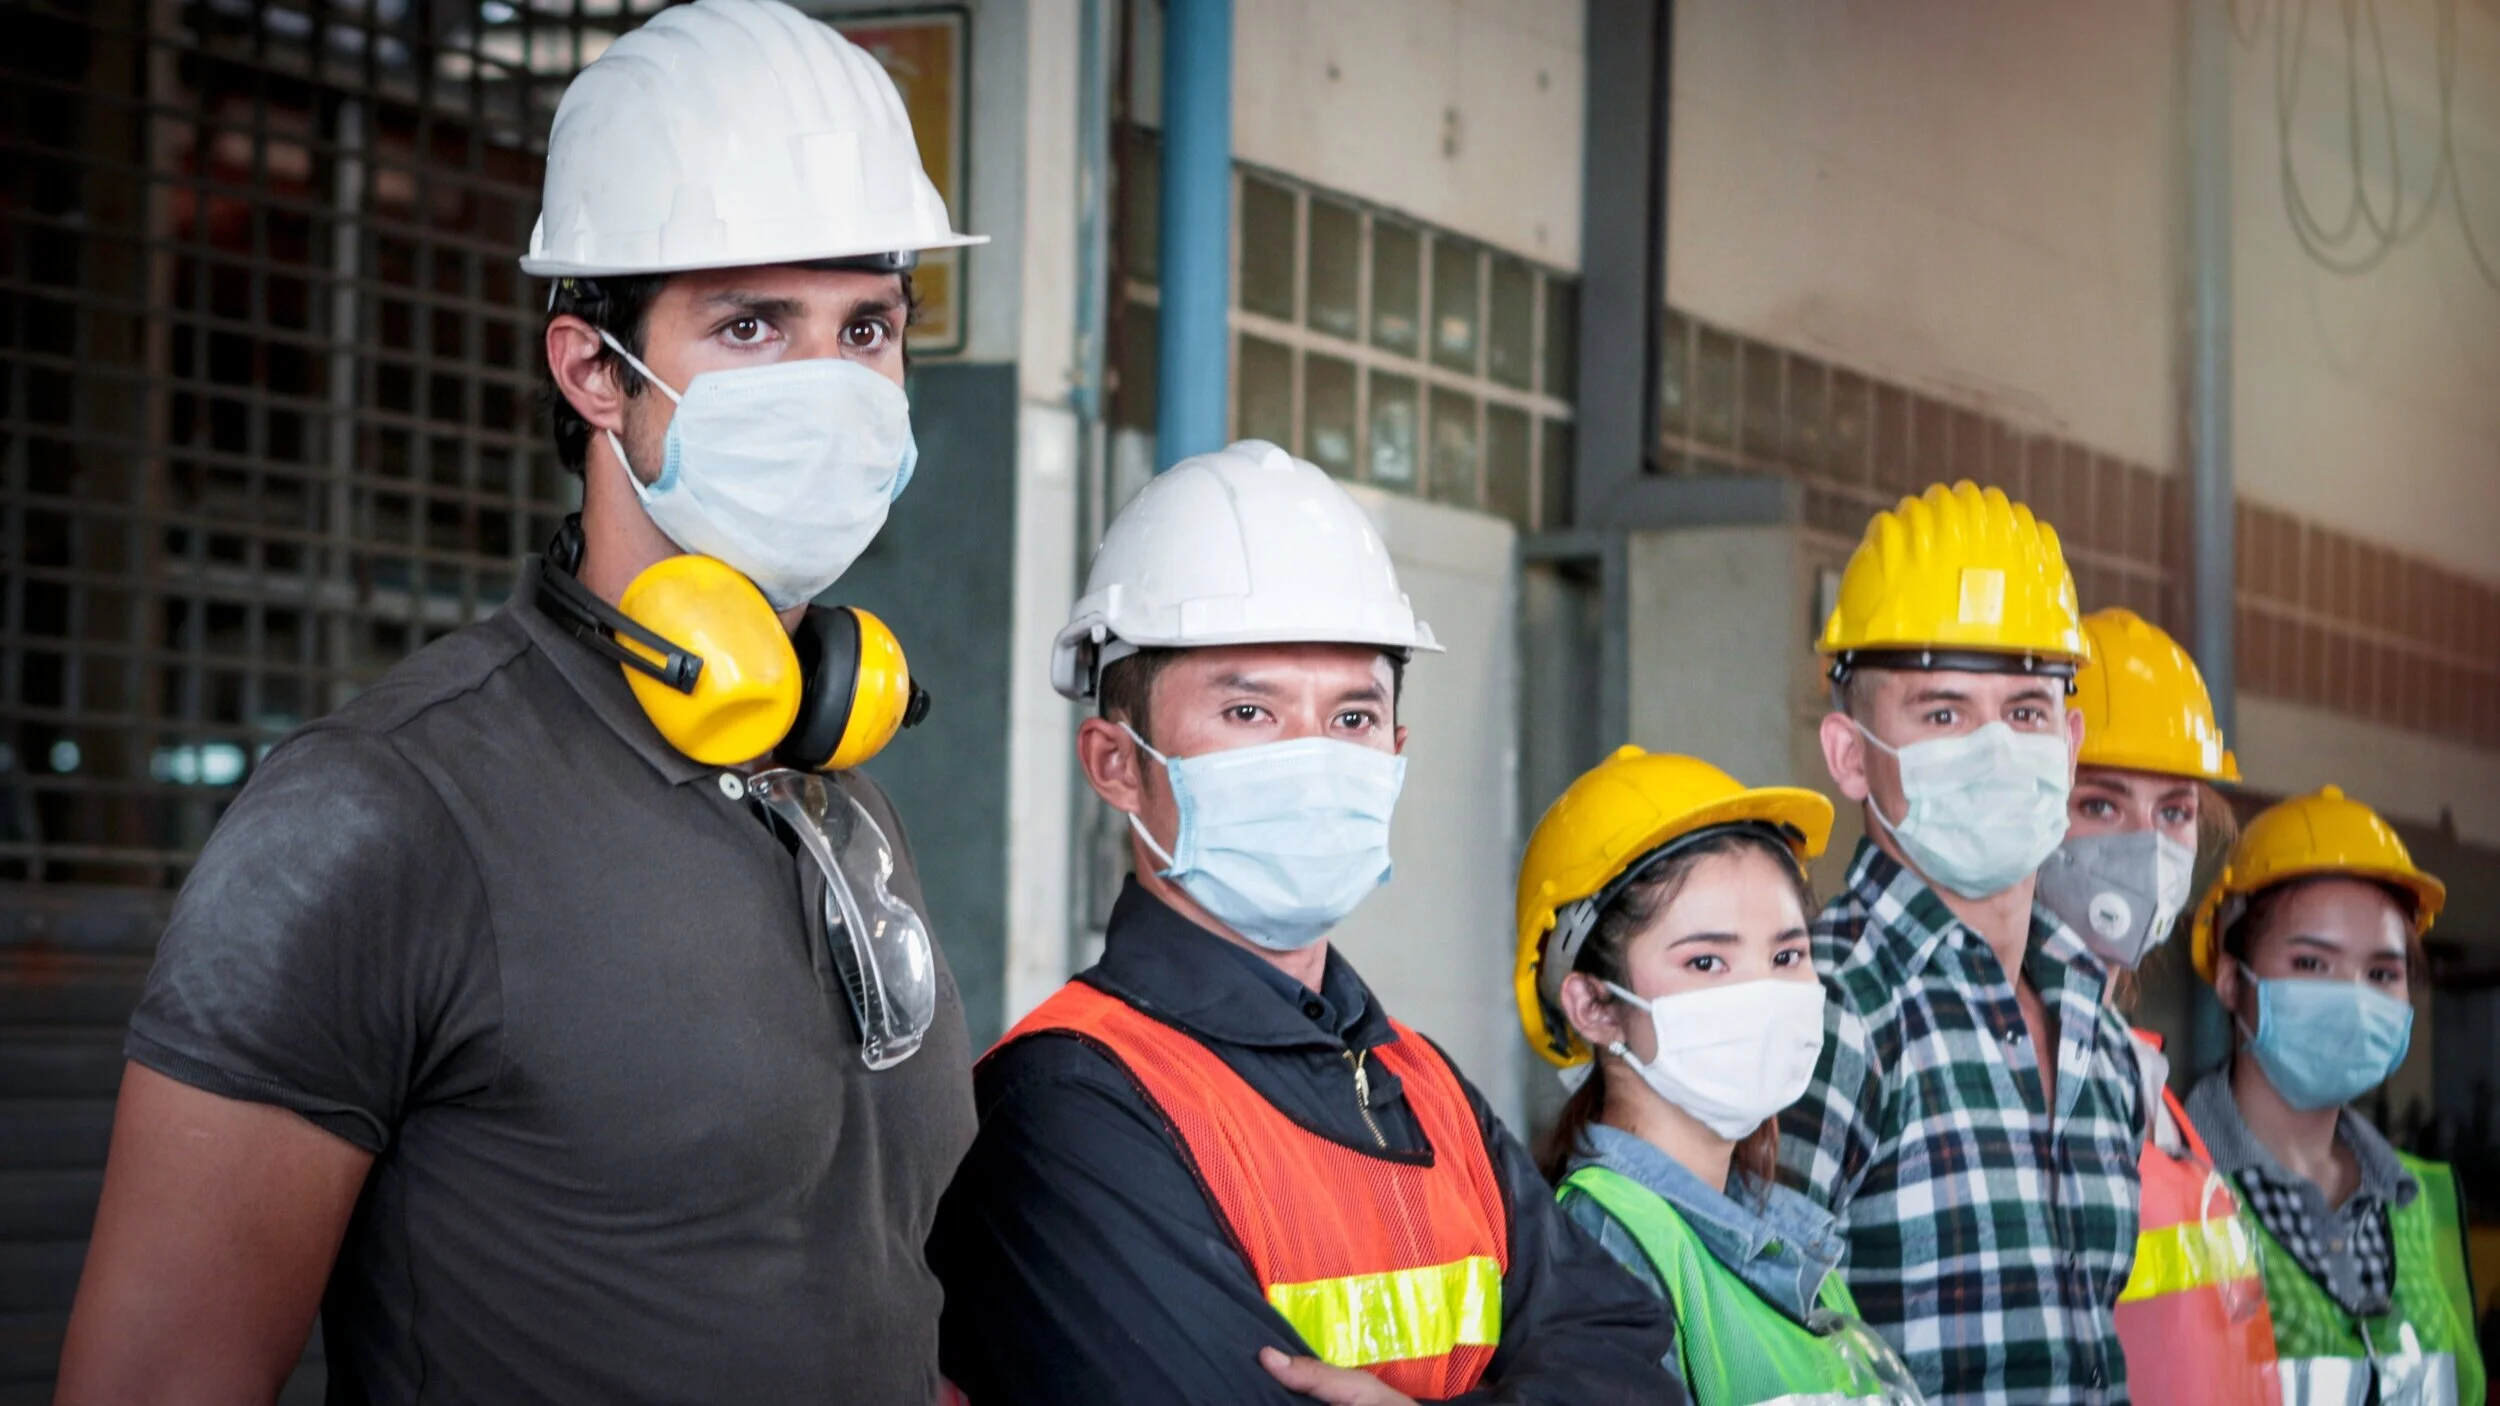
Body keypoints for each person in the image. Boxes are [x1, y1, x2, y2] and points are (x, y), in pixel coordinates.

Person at [57, 3, 985, 1400]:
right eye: (751, 325)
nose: (832, 386)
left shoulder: (830, 787)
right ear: (593, 369)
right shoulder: (383, 813)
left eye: (866, 326)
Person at [928, 441, 1679, 1405]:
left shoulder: (1425, 1085)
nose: (1314, 759)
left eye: (1353, 719)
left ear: (1397, 752)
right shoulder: (1063, 1107)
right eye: (1250, 711)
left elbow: (1630, 1359)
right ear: (1116, 763)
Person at [1778, 481, 2146, 1405]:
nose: (1995, 748)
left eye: (2025, 712)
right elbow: (1759, 1351)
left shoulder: (2095, 1026)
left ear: (2069, 742)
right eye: (1943, 714)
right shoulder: (1826, 1011)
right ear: (1849, 754)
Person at [1515, 745, 1925, 1405]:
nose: (1764, 992)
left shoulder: (1789, 1241)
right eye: (1706, 962)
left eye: (1787, 955)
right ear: (1595, 1006)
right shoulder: (1606, 1246)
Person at [2035, 607, 2282, 1406]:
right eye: (2100, 805)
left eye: (2173, 813)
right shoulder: (2006, 1065)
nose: (2145, 846)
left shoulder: (2143, 1075)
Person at [2187, 785, 2486, 1406]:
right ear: (2231, 981)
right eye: (2311, 964)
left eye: (2382, 973)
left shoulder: (2420, 1199)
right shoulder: (2166, 1186)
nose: (2353, 996)